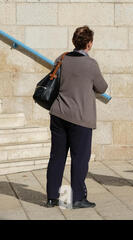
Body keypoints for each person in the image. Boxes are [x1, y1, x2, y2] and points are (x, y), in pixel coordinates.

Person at [45, 26, 108, 209]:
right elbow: (102, 87)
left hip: (58, 114)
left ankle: (52, 198)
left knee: (57, 157)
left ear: (74, 41)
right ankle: (78, 198)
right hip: (80, 117)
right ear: (89, 44)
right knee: (80, 158)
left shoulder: (61, 59)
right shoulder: (91, 64)